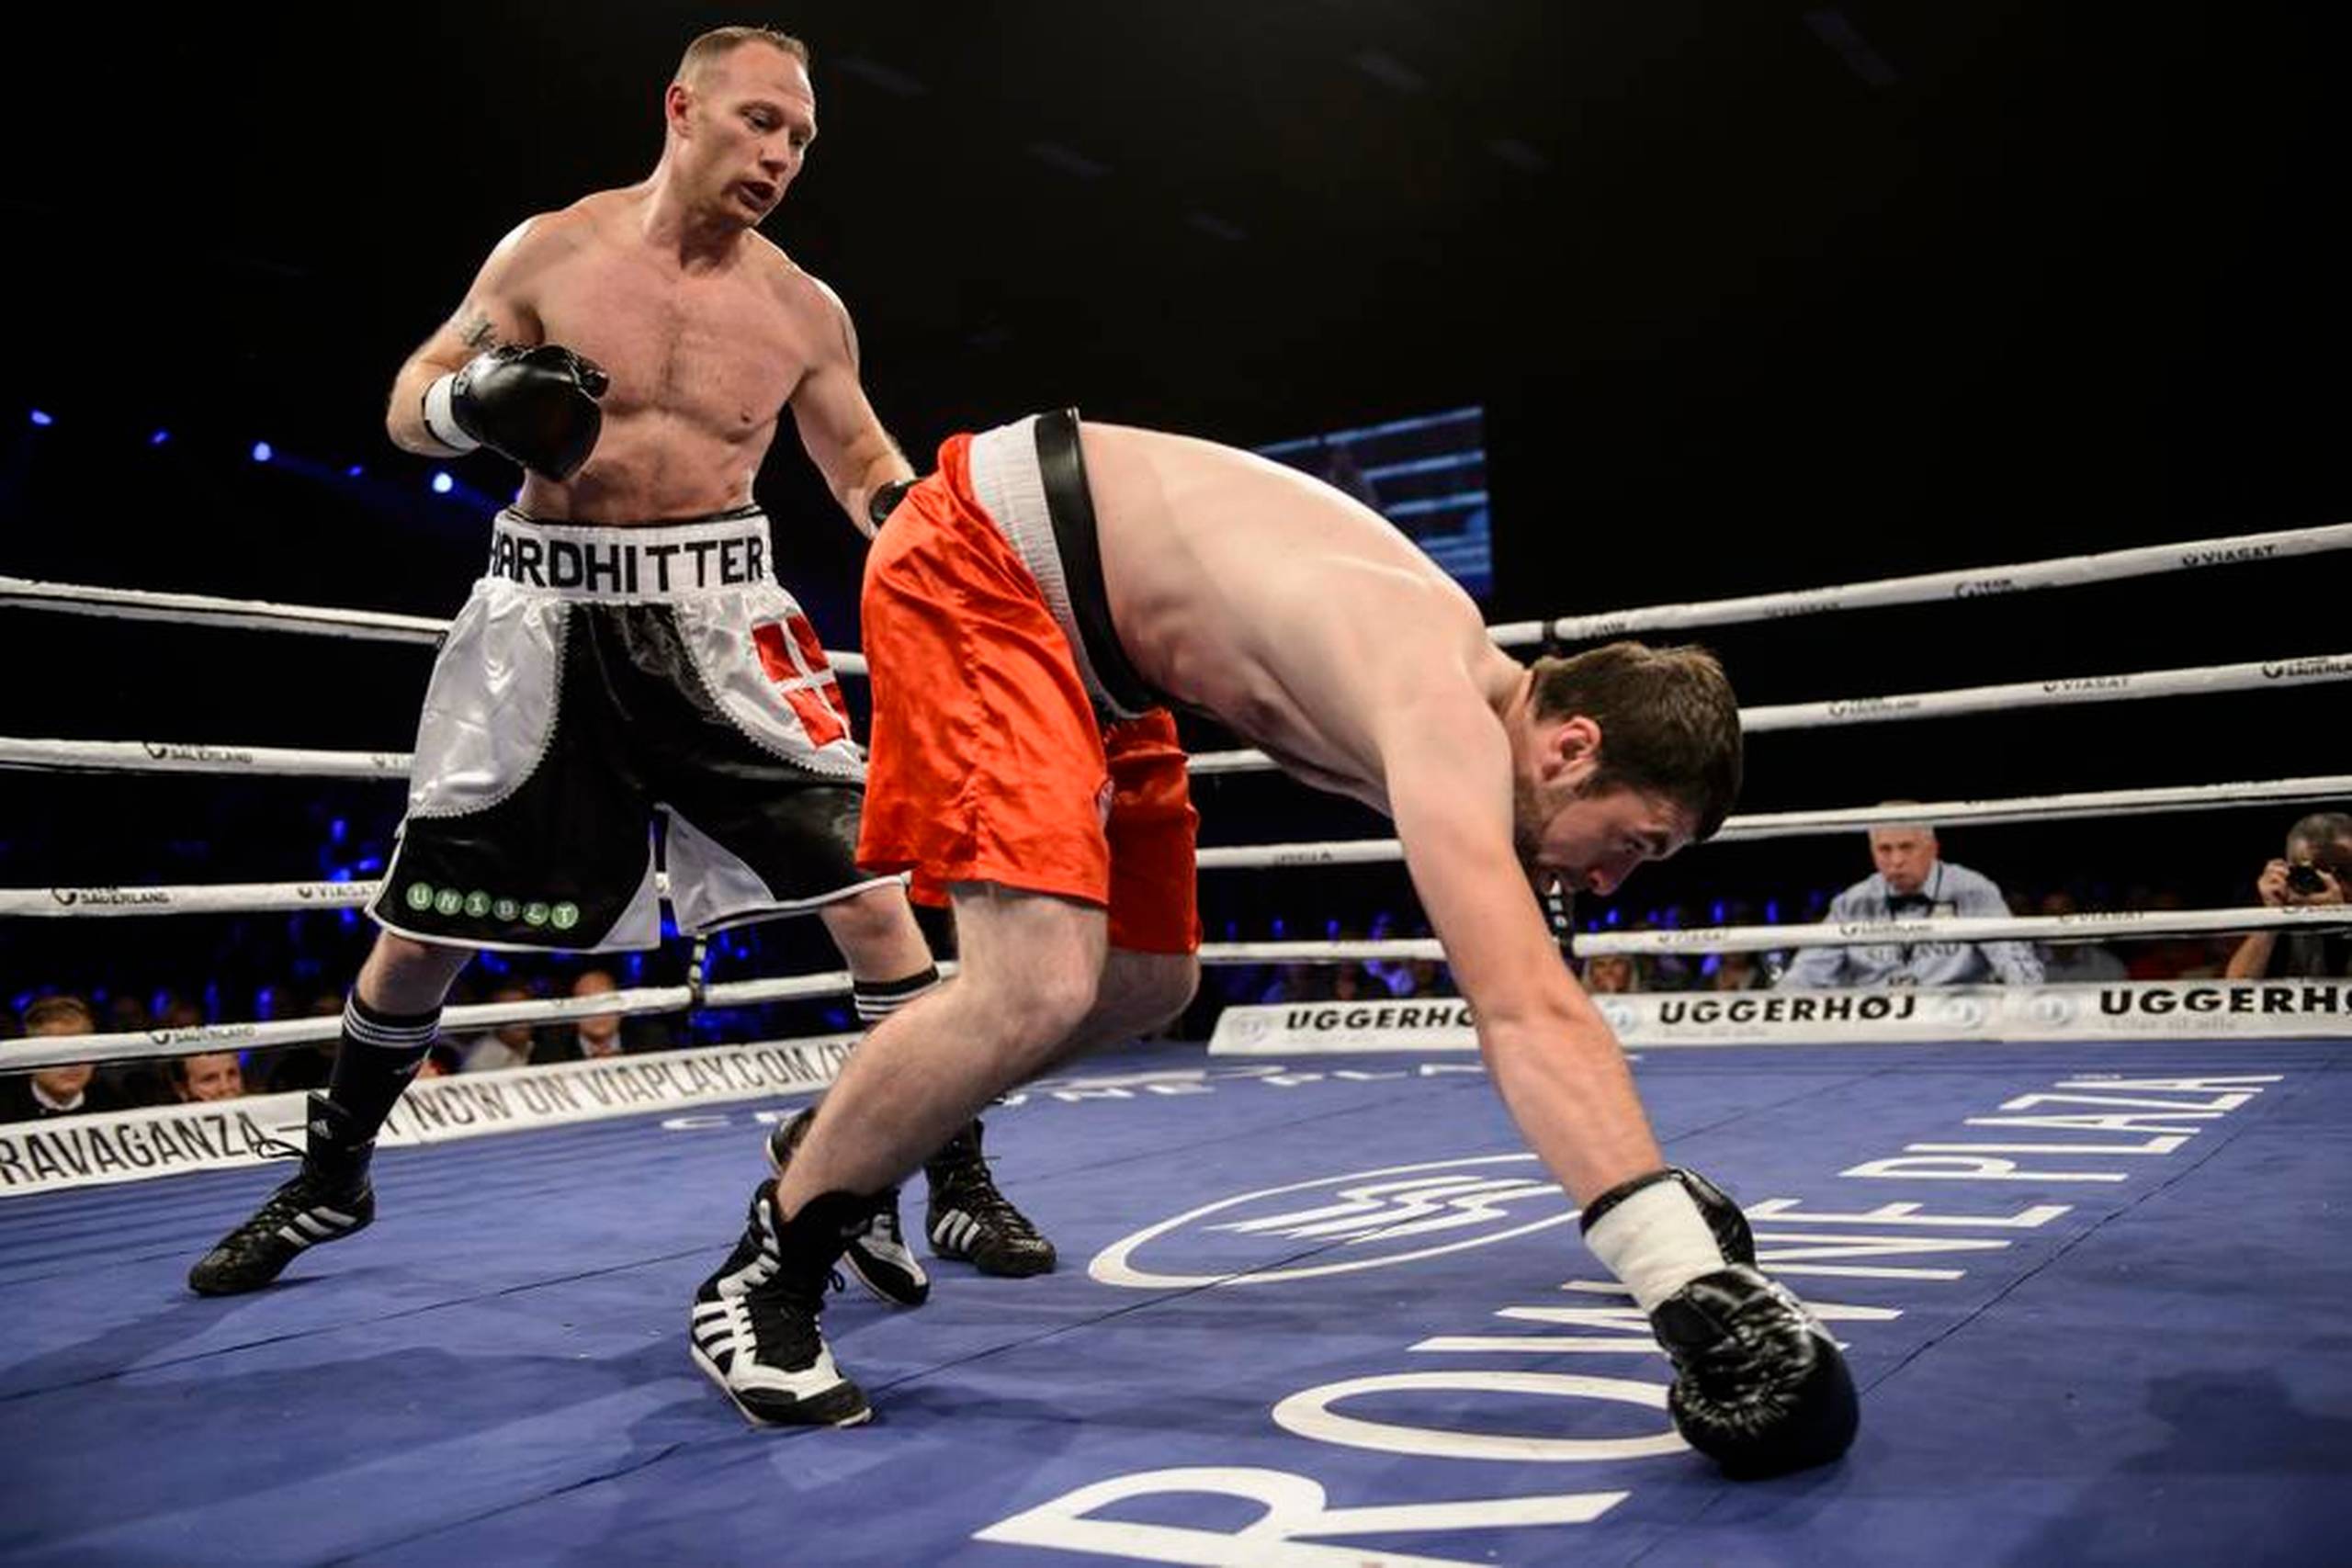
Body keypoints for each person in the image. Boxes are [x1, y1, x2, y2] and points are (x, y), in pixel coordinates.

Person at [689, 410, 1857, 1479]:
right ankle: (767, 1269)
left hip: (1099, 649)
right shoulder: (1439, 705)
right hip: (989, 562)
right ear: (1571, 747)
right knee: (1035, 981)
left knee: (1149, 982)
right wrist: (1678, 1274)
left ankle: (862, 1128)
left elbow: (1526, 985)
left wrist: (1640, 1184)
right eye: (1636, 845)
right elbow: (1524, 1010)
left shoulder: (1456, 703)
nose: (1610, 879)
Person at [187, 25, 1048, 1304]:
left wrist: (933, 537)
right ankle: (334, 1168)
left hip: (721, 622)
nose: (781, 154)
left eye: (801, 138)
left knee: (876, 897)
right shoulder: (552, 251)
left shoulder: (802, 308)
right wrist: (473, 405)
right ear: (681, 109)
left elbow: (862, 461)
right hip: (546, 624)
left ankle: (949, 1174)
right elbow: (408, 397)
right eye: (761, 121)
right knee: (421, 933)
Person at [1776, 816, 2042, 988]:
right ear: (1872, 853)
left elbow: (2016, 962)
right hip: (1874, 1028)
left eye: (1906, 847)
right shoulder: (1852, 901)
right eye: (1885, 849)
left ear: (1932, 848)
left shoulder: (1972, 890)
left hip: (1958, 1022)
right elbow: (1805, 974)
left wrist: (2028, 1011)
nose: (1896, 860)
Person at [2224, 811, 2352, 979]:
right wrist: (2272, 916)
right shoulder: (2283, 914)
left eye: (2343, 872)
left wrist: (2343, 922)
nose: (2331, 882)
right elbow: (2235, 991)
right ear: (2289, 870)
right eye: (2314, 872)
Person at [1, 996, 123, 1122]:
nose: (72, 1063)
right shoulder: (6, 1111)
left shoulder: (116, 1102)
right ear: (28, 1056)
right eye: (57, 1052)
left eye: (80, 1049)